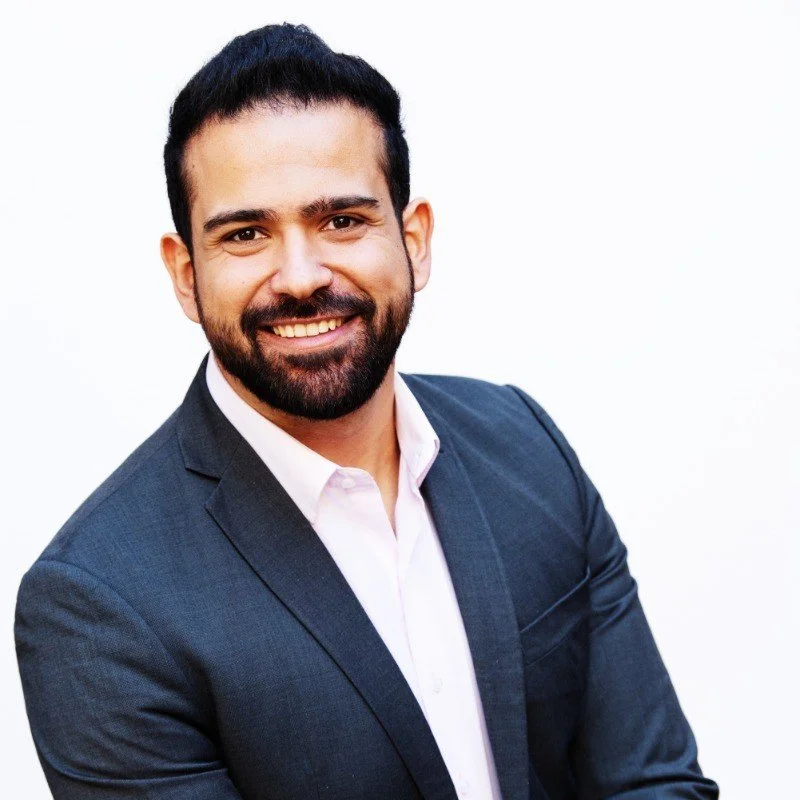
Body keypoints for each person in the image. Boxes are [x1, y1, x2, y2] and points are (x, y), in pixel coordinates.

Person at [15, 23, 718, 800]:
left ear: (414, 241)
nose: (301, 275)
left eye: (342, 221)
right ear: (185, 274)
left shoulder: (526, 447)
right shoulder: (100, 604)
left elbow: (655, 784)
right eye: (246, 234)